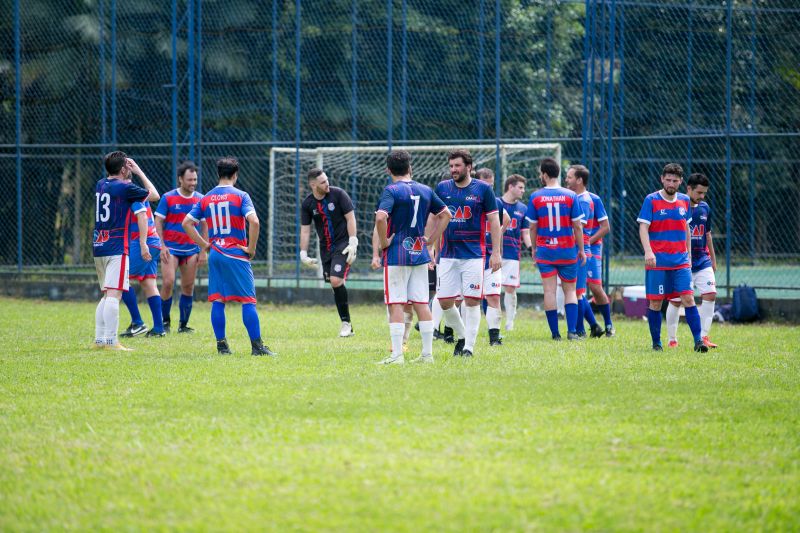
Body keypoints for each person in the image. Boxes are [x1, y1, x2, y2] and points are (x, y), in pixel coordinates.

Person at [182, 157, 276, 356]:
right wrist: (251, 248)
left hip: (216, 253)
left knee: (218, 300)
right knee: (248, 300)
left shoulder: (206, 198)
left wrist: (205, 245)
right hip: (235, 253)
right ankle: (257, 347)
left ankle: (222, 346)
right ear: (235, 175)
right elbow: (255, 222)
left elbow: (186, 223)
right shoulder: (241, 196)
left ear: (218, 174)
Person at [374, 150, 452, 364]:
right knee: (421, 303)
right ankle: (427, 354)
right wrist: (431, 240)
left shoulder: (391, 190)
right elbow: (446, 214)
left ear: (388, 170)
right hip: (419, 252)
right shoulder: (425, 189)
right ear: (410, 168)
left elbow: (380, 217)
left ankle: (397, 355)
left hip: (397, 254)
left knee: (396, 304)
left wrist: (384, 242)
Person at [434, 149, 502, 357]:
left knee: (472, 301)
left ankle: (468, 348)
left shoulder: (483, 189)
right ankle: (462, 335)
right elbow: (436, 219)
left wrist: (496, 252)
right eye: (451, 166)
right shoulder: (442, 188)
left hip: (473, 255)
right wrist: (431, 247)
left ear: (469, 167)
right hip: (447, 254)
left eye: (457, 166)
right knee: (445, 301)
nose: (453, 169)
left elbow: (495, 221)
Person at [637, 163, 707, 353]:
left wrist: (689, 255)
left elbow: (687, 228)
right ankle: (656, 343)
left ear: (681, 181)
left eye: (675, 180)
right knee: (656, 303)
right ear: (662, 179)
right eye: (668, 180)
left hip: (681, 262)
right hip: (658, 262)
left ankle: (699, 342)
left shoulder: (684, 200)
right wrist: (648, 251)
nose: (671, 183)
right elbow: (643, 227)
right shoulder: (651, 200)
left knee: (688, 299)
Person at [92, 151, 159, 350]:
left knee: (106, 294)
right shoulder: (126, 187)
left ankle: (99, 340)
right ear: (123, 169)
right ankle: (111, 341)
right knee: (115, 295)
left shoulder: (100, 184)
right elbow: (154, 195)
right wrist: (138, 171)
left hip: (99, 245)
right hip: (117, 246)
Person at [525, 157, 586, 341]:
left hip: (546, 251)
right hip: (567, 250)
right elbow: (577, 227)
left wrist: (534, 248)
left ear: (544, 174)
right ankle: (572, 332)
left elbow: (532, 227)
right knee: (570, 291)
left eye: (540, 174)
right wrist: (581, 249)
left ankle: (555, 334)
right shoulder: (571, 196)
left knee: (549, 292)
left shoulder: (536, 197)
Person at [299, 169, 359, 337]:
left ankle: (346, 324)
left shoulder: (338, 194)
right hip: (325, 249)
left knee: (336, 280)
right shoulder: (307, 204)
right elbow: (305, 230)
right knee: (335, 284)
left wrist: (353, 241)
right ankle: (349, 326)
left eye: (327, 180)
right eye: (323, 182)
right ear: (313, 185)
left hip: (343, 245)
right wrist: (303, 253)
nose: (327, 183)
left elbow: (351, 218)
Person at [665, 172, 718, 349]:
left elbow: (707, 234)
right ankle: (672, 339)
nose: (702, 196)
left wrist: (713, 260)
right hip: (680, 262)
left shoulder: (705, 208)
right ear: (689, 189)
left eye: (704, 193)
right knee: (675, 300)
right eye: (699, 192)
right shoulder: (678, 204)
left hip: (702, 261)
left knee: (710, 294)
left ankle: (704, 337)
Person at [155, 161, 206, 333]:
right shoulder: (168, 197)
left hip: (191, 250)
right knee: (168, 282)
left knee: (188, 286)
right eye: (189, 180)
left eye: (195, 180)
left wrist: (203, 250)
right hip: (171, 248)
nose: (193, 183)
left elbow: (205, 225)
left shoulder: (200, 199)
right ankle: (164, 322)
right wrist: (161, 245)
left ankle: (183, 325)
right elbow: (158, 221)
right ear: (180, 179)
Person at [564, 164, 605, 339]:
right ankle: (593, 326)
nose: (566, 180)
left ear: (579, 180)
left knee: (576, 293)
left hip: (579, 251)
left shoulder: (582, 201)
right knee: (577, 292)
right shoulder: (580, 198)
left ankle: (580, 330)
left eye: (569, 177)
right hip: (578, 250)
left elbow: (578, 228)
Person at [119, 196, 167, 338]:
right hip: (154, 242)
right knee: (149, 283)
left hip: (142, 243)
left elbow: (142, 216)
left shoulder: (130, 193)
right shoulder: (141, 193)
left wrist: (142, 243)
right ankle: (159, 328)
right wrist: (141, 176)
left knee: (120, 279)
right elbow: (155, 194)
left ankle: (137, 323)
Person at [475, 168, 509, 346]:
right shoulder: (470, 201)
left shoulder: (497, 203)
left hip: (490, 257)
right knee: (465, 299)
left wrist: (498, 252)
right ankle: (454, 332)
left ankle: (494, 338)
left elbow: (504, 222)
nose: (489, 189)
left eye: (491, 185)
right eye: (485, 185)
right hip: (471, 255)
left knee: (494, 297)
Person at [497, 174, 531, 331]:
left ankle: (509, 323)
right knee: (491, 289)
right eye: (520, 187)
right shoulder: (496, 203)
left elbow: (525, 233)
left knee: (510, 288)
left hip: (512, 254)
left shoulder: (523, 209)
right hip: (493, 252)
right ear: (510, 187)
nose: (523, 190)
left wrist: (531, 249)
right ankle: (494, 321)